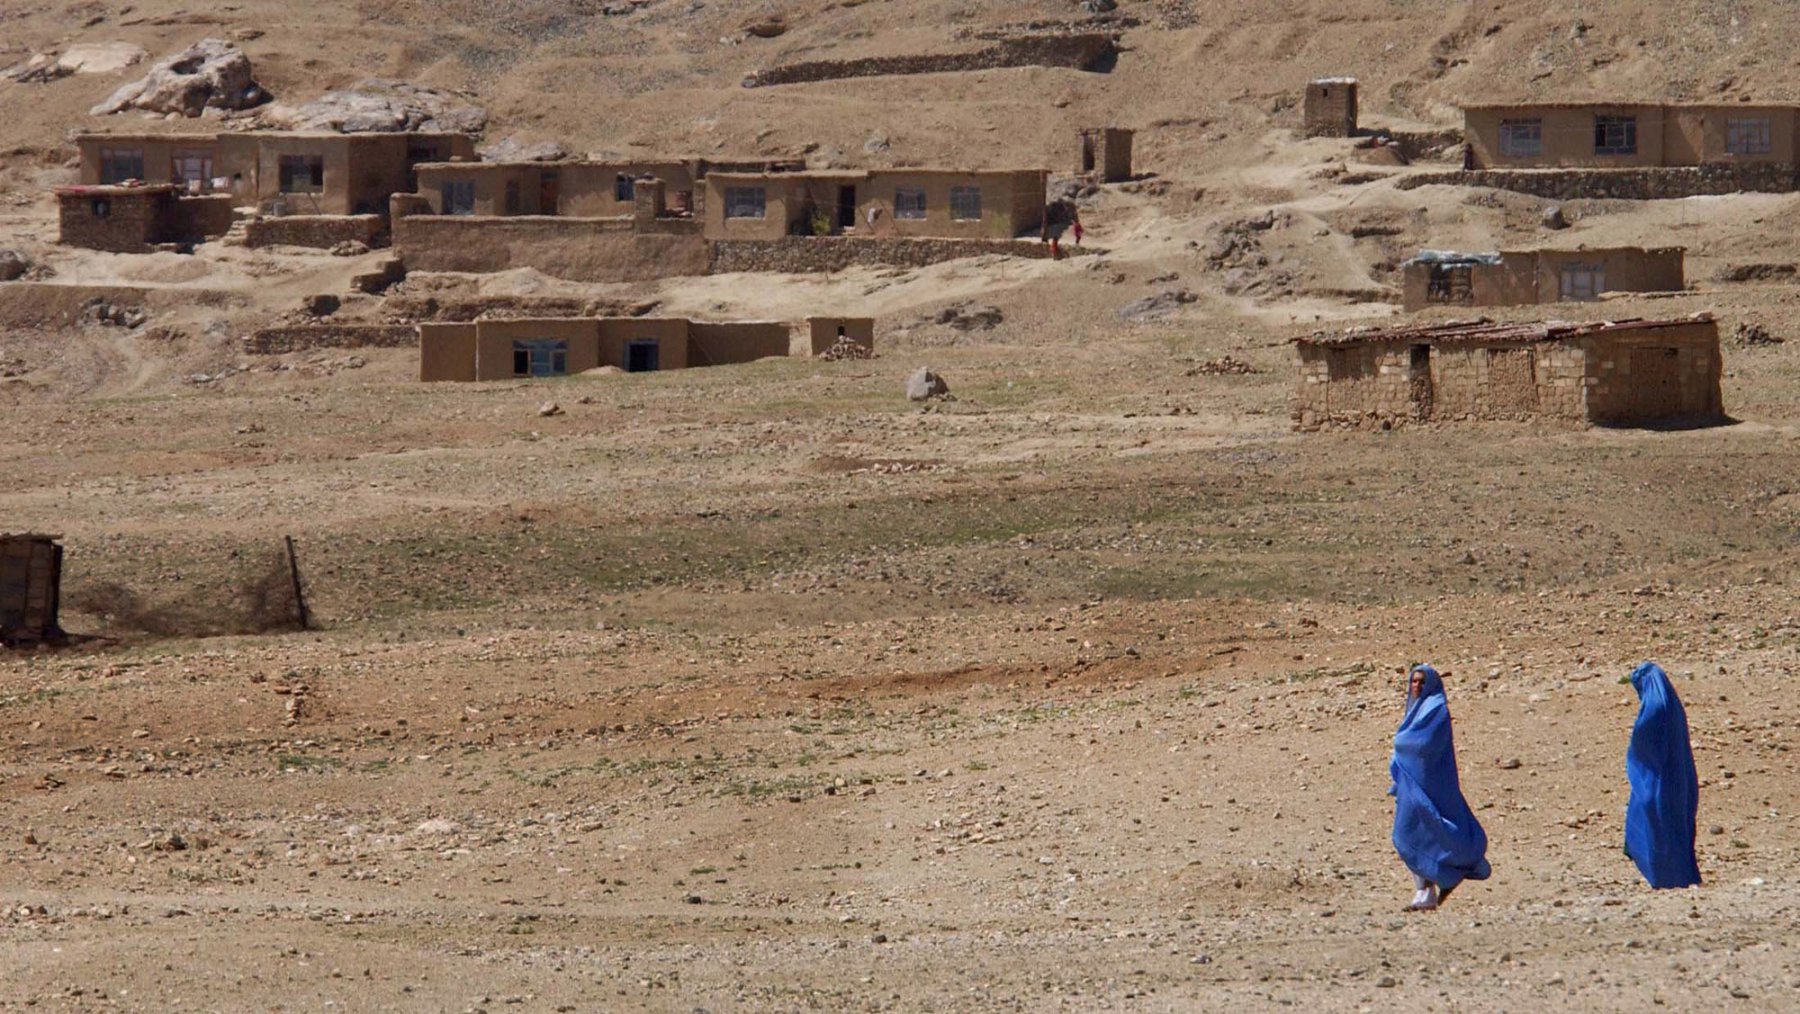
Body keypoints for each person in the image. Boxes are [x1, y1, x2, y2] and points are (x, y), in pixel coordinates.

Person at [1390, 664, 1490, 911]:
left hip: (1431, 785)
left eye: (1422, 682)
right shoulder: (1413, 710)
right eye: (1413, 681)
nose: (1417, 686)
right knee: (1414, 834)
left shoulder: (1436, 709)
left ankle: (1440, 881)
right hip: (1411, 785)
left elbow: (1422, 744)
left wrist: (1400, 744)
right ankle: (1424, 893)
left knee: (1409, 835)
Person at [1624, 661, 1702, 889]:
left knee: (1656, 829)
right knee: (1677, 828)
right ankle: (1680, 875)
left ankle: (1665, 878)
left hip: (1659, 783)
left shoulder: (1655, 707)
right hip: (1680, 781)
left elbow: (1643, 745)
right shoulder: (1671, 705)